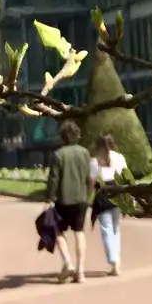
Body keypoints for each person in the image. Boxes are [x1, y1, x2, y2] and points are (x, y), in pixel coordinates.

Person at [45, 120, 92, 283]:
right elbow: (89, 176)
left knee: (57, 230)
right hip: (81, 198)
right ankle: (81, 271)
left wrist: (50, 197)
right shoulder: (85, 153)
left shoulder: (59, 154)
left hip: (63, 199)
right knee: (79, 231)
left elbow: (54, 179)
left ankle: (67, 262)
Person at [90, 134, 128, 277]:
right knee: (116, 229)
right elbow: (125, 177)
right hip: (117, 193)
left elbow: (91, 183)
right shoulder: (119, 157)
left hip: (102, 195)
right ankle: (117, 261)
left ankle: (114, 261)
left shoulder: (94, 162)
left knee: (107, 229)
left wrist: (88, 198)